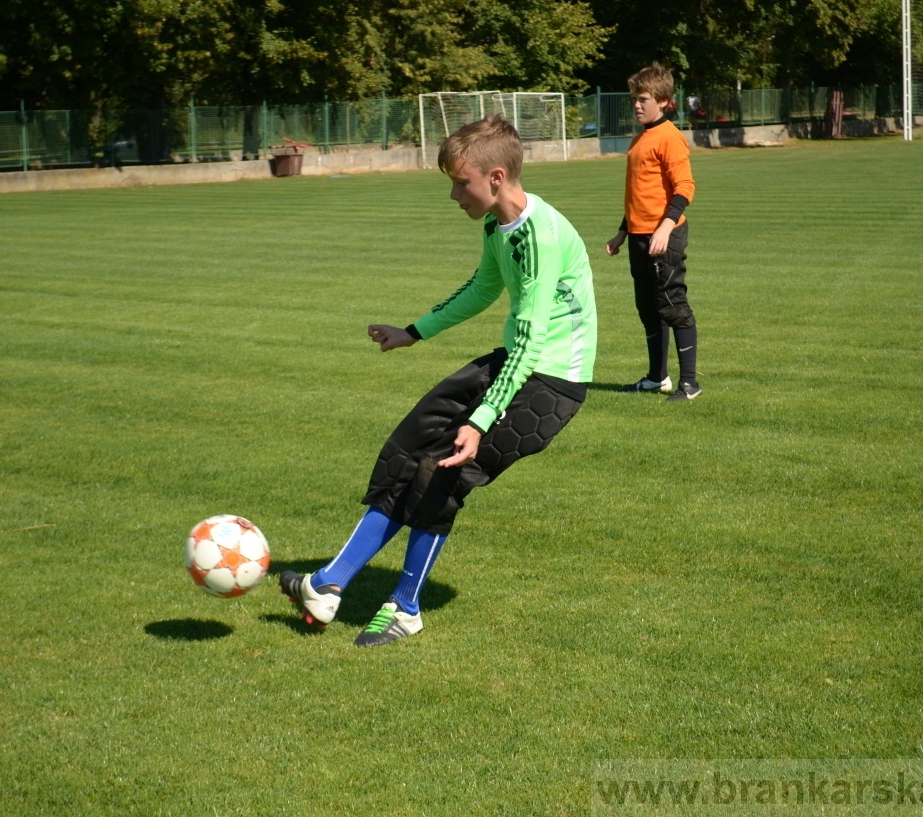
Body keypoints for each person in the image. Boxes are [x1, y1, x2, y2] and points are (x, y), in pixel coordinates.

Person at [280, 113, 598, 647]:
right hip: (519, 365)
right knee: (407, 449)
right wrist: (413, 332)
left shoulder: (540, 237)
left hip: (551, 383)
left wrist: (480, 420)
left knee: (440, 476)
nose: (453, 194)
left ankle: (405, 607)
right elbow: (481, 289)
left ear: (495, 177)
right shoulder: (500, 227)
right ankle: (328, 585)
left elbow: (530, 342)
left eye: (460, 181)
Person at [606, 63, 701, 402]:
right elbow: (640, 193)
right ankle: (656, 377)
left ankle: (690, 384)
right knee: (649, 308)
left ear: (663, 101)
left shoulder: (670, 138)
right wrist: (622, 232)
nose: (636, 104)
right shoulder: (640, 138)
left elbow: (684, 188)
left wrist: (664, 228)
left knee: (673, 306)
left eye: (643, 98)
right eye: (635, 98)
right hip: (639, 235)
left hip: (665, 236)